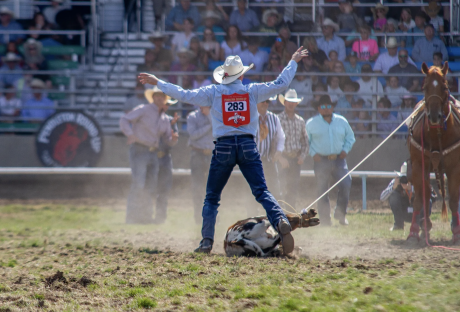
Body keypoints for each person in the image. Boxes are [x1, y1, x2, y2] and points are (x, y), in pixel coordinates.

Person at [138, 47, 309, 254]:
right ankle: (280, 219)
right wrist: (292, 61)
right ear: (242, 75)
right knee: (262, 191)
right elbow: (281, 84)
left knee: (212, 197)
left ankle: (206, 242)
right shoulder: (252, 91)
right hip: (247, 144)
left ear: (224, 75)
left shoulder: (214, 92)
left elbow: (184, 95)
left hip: (224, 147)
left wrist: (158, 82)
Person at [119, 86, 179, 224]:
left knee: (150, 186)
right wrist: (130, 135)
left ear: (164, 99)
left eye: (162, 96)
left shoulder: (164, 119)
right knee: (139, 183)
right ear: (153, 97)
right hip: (140, 150)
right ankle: (132, 217)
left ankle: (144, 217)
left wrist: (173, 140)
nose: (160, 98)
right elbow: (124, 120)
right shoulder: (143, 109)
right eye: (157, 95)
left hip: (153, 154)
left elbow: (168, 140)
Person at [306, 95, 355, 226]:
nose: (326, 109)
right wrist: (313, 153)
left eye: (329, 106)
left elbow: (350, 137)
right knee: (322, 189)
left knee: (346, 183)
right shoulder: (311, 123)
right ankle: (325, 220)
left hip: (339, 159)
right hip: (321, 160)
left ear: (332, 108)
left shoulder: (342, 121)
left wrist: (346, 149)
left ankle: (340, 214)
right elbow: (305, 141)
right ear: (318, 108)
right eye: (323, 106)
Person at [252, 95, 286, 214]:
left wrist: (279, 151)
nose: (265, 104)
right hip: (252, 162)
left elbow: (281, 137)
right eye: (263, 101)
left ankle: (276, 217)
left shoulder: (274, 118)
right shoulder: (249, 118)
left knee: (275, 190)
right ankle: (252, 218)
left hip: (268, 160)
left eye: (267, 101)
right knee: (252, 192)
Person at [380, 162, 435, 231]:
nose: (405, 180)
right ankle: (398, 225)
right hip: (404, 212)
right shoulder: (396, 181)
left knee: (427, 200)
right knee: (393, 196)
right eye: (403, 177)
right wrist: (393, 187)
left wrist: (412, 188)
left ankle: (423, 224)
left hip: (418, 212)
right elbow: (382, 198)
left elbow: (431, 197)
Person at [277, 89, 309, 208]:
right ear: (284, 102)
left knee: (293, 189)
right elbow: (273, 141)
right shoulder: (277, 119)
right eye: (289, 101)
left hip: (295, 159)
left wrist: (302, 156)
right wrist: (279, 157)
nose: (291, 104)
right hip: (282, 158)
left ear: (296, 104)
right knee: (280, 188)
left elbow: (305, 141)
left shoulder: (300, 121)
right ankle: (279, 214)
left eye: (293, 101)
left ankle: (290, 214)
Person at [154, 94, 180, 224]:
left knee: (164, 189)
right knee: (149, 187)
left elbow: (173, 142)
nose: (167, 106)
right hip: (152, 157)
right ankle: (145, 214)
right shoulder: (151, 118)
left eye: (168, 104)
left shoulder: (170, 120)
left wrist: (173, 139)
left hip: (164, 158)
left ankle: (160, 216)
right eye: (167, 103)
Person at [187, 106, 214, 224]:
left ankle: (213, 216)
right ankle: (199, 216)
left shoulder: (216, 115)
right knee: (198, 187)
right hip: (198, 153)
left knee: (214, 188)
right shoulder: (192, 116)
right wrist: (209, 125)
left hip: (212, 154)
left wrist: (209, 116)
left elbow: (219, 130)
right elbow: (193, 135)